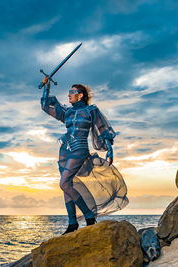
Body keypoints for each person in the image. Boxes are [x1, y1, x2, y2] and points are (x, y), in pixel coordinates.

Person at [40, 76, 116, 235]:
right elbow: (45, 107)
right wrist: (47, 87)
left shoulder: (90, 110)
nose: (68, 95)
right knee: (66, 187)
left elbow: (103, 128)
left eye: (71, 92)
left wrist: (109, 149)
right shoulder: (67, 112)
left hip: (79, 148)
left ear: (80, 95)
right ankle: (72, 223)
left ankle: (89, 215)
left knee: (64, 182)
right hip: (64, 151)